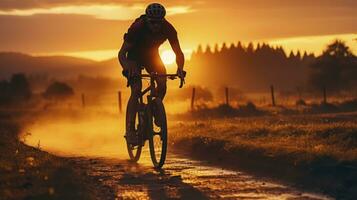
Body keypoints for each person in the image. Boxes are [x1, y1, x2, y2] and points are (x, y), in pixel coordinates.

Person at [118, 3, 185, 144]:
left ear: (163, 21)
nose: (156, 26)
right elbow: (122, 53)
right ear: (147, 20)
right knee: (136, 90)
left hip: (152, 56)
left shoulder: (169, 28)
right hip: (134, 56)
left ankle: (155, 110)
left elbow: (178, 52)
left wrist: (180, 68)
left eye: (159, 23)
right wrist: (127, 67)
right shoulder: (137, 28)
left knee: (162, 83)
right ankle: (130, 129)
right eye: (152, 23)